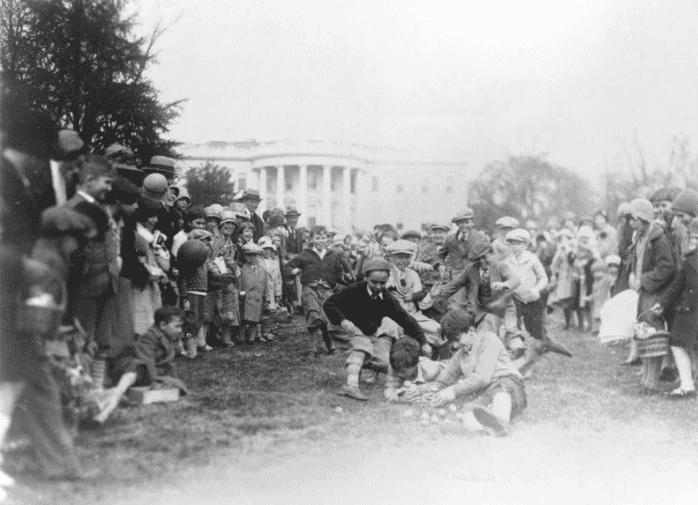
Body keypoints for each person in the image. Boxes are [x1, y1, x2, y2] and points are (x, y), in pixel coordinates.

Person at [323, 258, 432, 401]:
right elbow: (329, 304)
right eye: (374, 282)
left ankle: (362, 366)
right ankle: (352, 385)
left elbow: (406, 320)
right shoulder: (354, 290)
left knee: (384, 362)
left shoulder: (386, 298)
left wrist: (423, 342)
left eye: (383, 283)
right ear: (366, 278)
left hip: (366, 330)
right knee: (362, 343)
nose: (378, 286)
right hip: (341, 325)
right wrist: (343, 320)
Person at [429, 309, 527, 437]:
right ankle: (478, 432)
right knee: (470, 409)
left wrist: (453, 391)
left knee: (501, 391)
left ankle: (501, 425)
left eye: (457, 339)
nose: (455, 345)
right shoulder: (460, 356)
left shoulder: (488, 339)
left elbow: (482, 378)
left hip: (510, 387)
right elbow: (443, 382)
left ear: (471, 331)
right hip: (485, 395)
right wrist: (427, 392)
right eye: (451, 341)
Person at [97, 306, 188, 424]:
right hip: (134, 367)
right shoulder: (149, 337)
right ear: (163, 325)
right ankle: (118, 391)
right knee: (136, 366)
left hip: (150, 368)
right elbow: (147, 359)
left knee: (167, 376)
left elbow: (164, 361)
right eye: (177, 326)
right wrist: (154, 380)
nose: (180, 330)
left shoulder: (167, 337)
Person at [622, 198, 676, 391]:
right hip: (643, 292)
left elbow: (667, 267)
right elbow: (635, 260)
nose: (631, 223)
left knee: (653, 335)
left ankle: (652, 380)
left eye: (633, 218)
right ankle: (646, 377)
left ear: (643, 217)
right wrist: (631, 275)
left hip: (655, 293)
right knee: (643, 334)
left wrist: (644, 280)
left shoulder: (659, 239)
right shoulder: (640, 237)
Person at [652, 216, 698, 398]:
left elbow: (678, 285)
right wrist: (662, 304)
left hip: (690, 309)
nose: (693, 241)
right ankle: (687, 384)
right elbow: (678, 284)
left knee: (679, 345)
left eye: (696, 238)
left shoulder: (690, 259)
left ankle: (687, 385)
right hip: (690, 308)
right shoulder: (689, 259)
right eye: (692, 237)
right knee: (679, 344)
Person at [285, 226, 343, 357]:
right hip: (310, 288)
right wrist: (293, 271)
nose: (320, 240)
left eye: (323, 237)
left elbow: (338, 273)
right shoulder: (305, 254)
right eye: (317, 238)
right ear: (311, 239)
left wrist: (344, 278)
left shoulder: (332, 255)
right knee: (313, 315)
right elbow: (288, 266)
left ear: (327, 239)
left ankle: (331, 346)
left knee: (327, 318)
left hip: (327, 289)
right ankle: (312, 349)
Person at [436, 208, 486, 309]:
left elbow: (487, 256)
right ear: (457, 224)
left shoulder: (480, 238)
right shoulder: (450, 239)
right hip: (456, 277)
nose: (464, 226)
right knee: (456, 305)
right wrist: (443, 268)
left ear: (472, 222)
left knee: (474, 306)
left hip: (475, 277)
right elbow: (440, 255)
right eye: (460, 223)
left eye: (466, 222)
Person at [383, 338, 445, 403]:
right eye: (396, 370)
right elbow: (388, 389)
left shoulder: (430, 370)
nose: (398, 374)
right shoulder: (396, 365)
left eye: (403, 371)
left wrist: (421, 388)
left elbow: (445, 382)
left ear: (415, 365)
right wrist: (399, 399)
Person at [239, 243, 269, 343]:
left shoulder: (263, 270)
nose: (253, 258)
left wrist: (267, 298)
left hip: (258, 297)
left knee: (255, 319)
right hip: (246, 297)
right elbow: (239, 283)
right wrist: (240, 293)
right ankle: (241, 337)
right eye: (249, 255)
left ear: (259, 256)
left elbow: (266, 285)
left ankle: (252, 337)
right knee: (244, 319)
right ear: (246, 256)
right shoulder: (242, 269)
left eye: (255, 255)